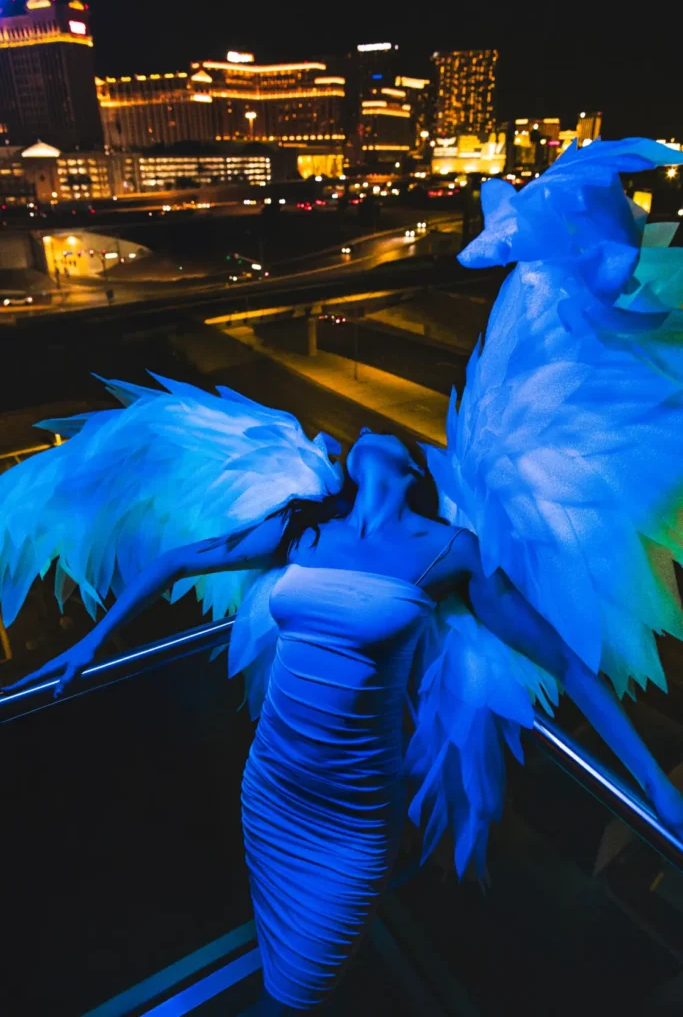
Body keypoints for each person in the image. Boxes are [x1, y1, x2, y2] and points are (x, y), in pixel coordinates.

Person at [3, 136, 683, 1012]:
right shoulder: (299, 531)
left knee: (307, 988)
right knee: (291, 983)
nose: (358, 433)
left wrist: (657, 785)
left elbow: (564, 663)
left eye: (381, 436)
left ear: (405, 464)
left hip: (353, 813)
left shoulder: (450, 555)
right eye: (352, 435)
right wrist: (88, 644)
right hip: (271, 784)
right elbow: (177, 556)